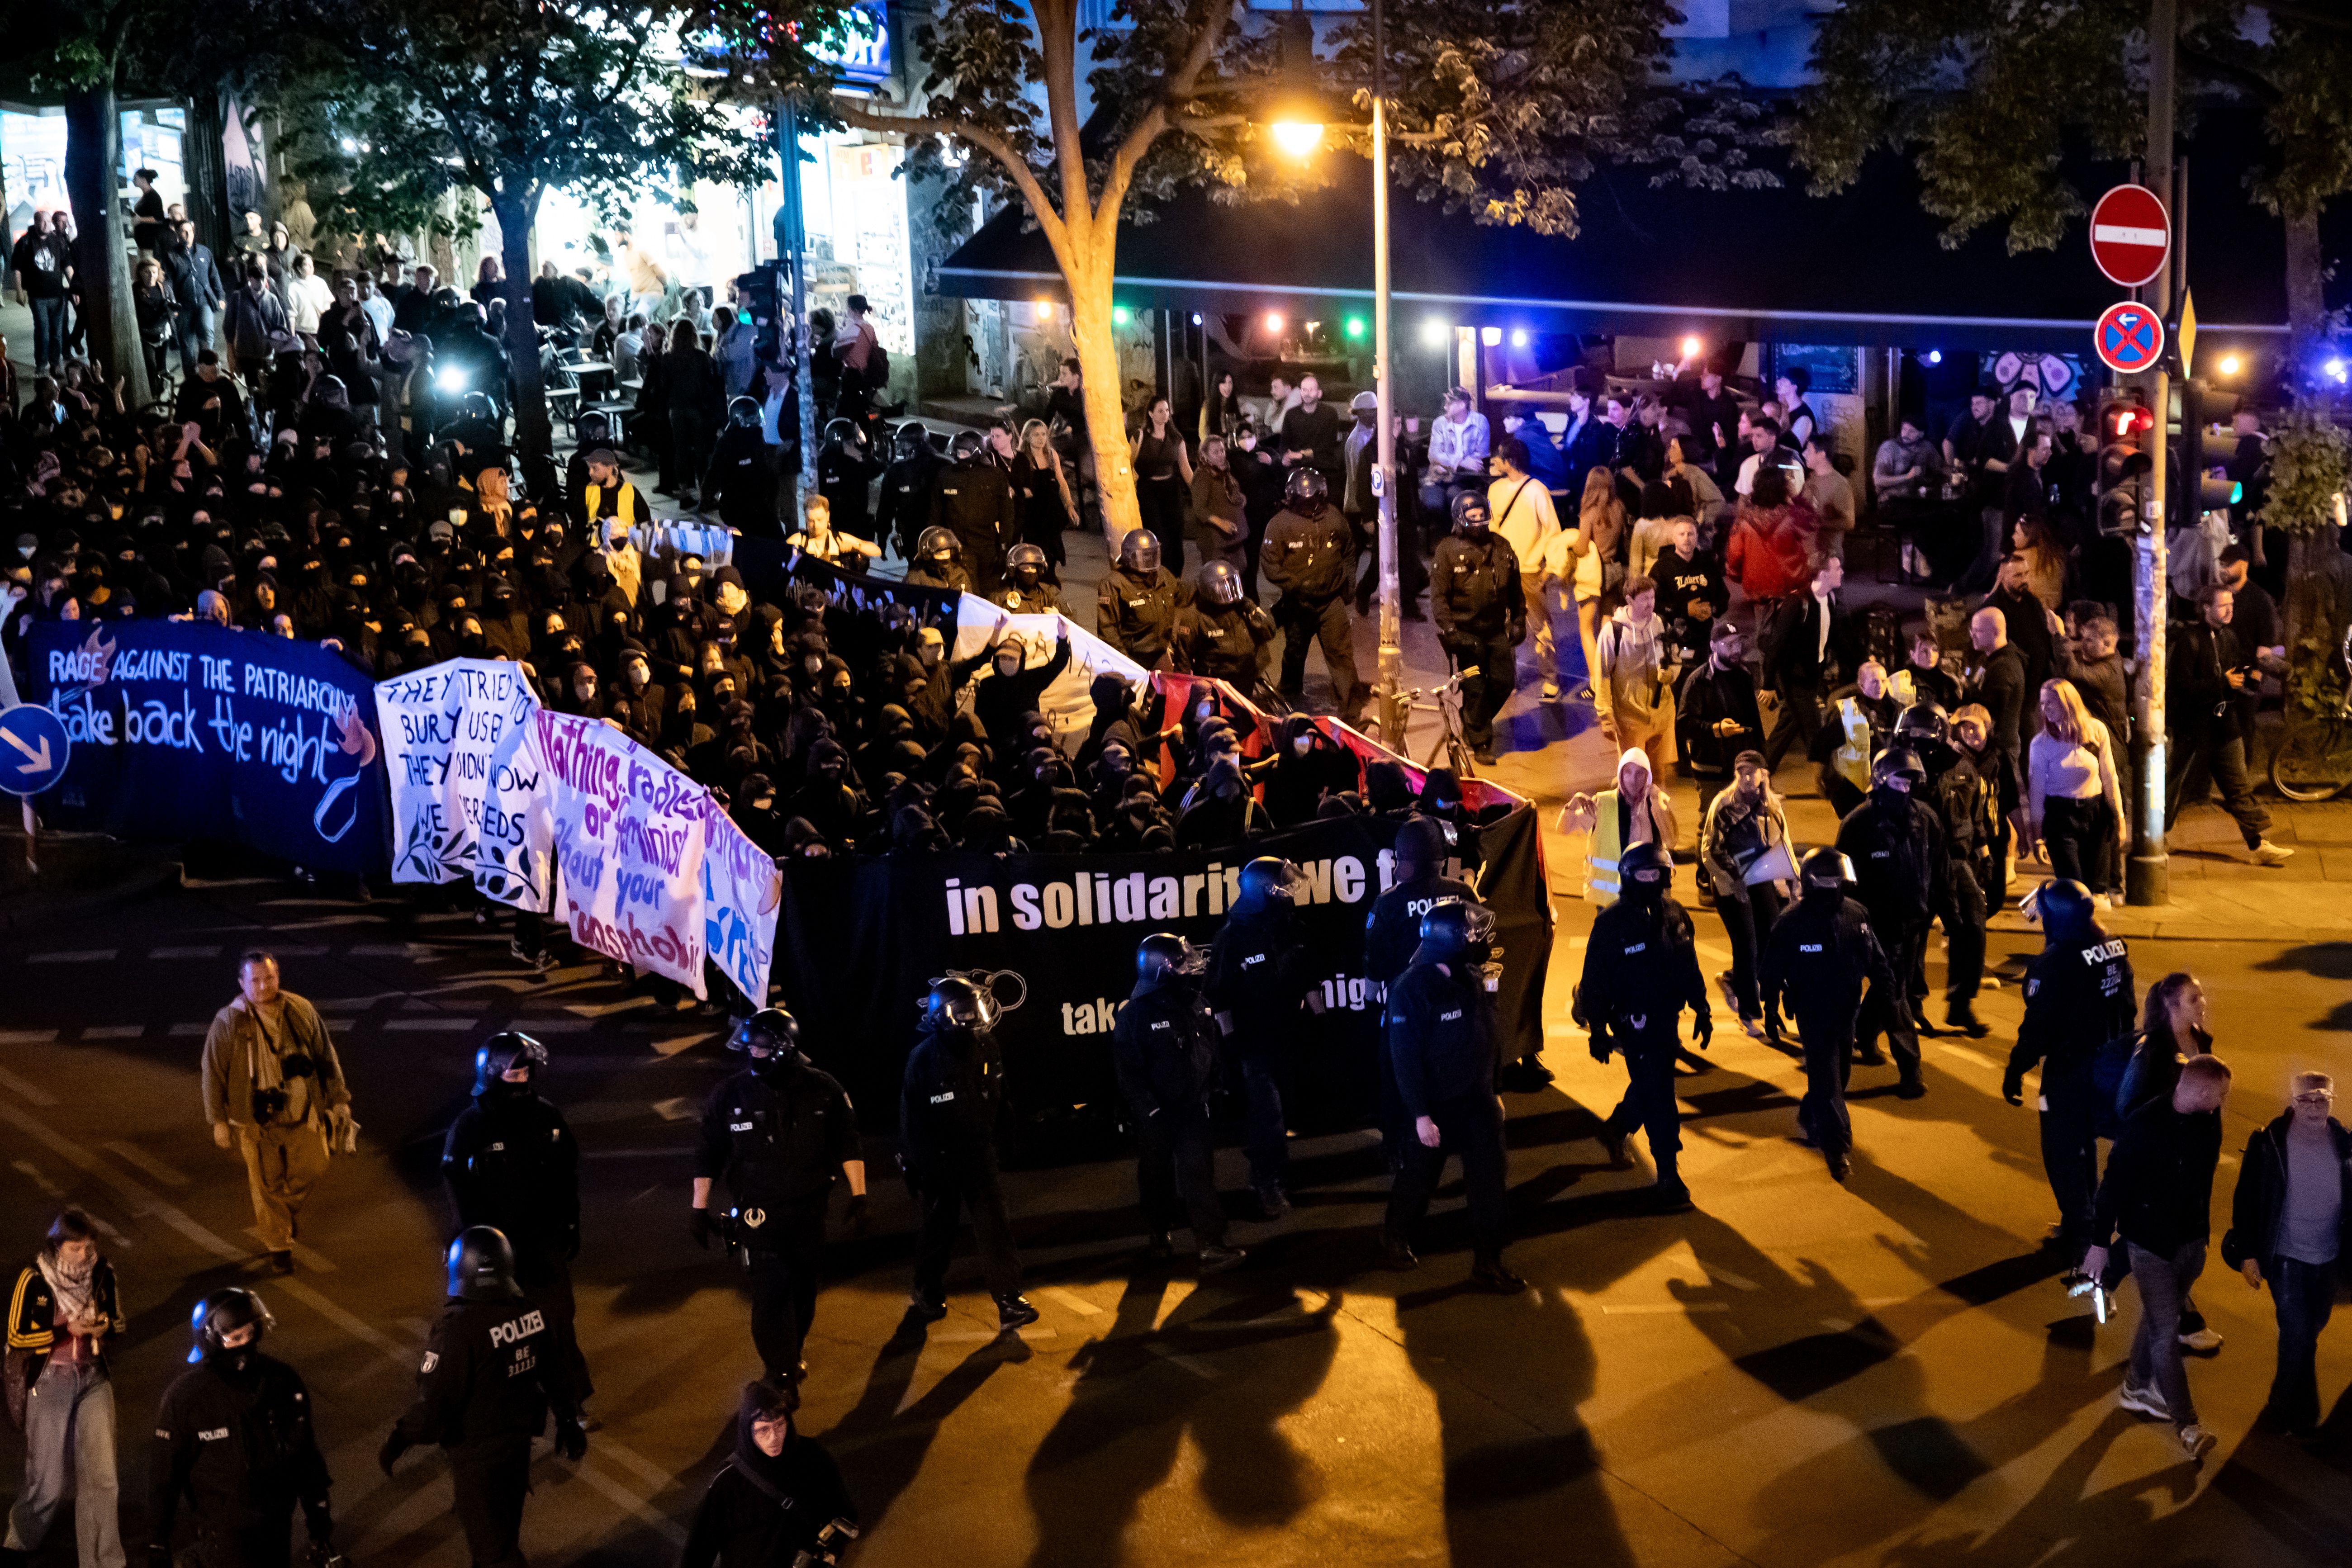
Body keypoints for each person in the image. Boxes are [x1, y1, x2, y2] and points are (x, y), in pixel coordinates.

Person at [379, 1229, 588, 1567]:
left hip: (477, 1460)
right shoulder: (532, 1314)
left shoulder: (458, 1332)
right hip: (518, 1448)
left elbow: (434, 1405)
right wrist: (567, 1419)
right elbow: (557, 1372)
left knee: (495, 1555)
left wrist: (400, 1438)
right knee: (503, 1538)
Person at [692, 1009, 866, 1381]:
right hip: (758, 1215)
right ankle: (779, 1369)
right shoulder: (729, 1094)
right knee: (769, 1297)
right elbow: (708, 1152)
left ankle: (792, 1350)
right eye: (749, 1046)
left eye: (761, 1047)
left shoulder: (824, 1089)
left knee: (803, 1291)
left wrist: (860, 1195)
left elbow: (848, 1142)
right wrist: (699, 1206)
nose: (752, 1053)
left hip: (807, 1213)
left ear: (785, 1049)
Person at [2082, 1054, 2233, 1462]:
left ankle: (2135, 1387)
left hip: (2189, 1245)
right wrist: (2100, 1245)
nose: (2220, 1104)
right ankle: (2188, 1426)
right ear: (2201, 1089)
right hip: (2151, 1248)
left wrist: (2200, 1238)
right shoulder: (2143, 1125)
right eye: (2218, 1095)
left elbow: (2202, 1181)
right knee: (2166, 1334)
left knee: (2155, 1319)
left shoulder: (2207, 1119)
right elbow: (2112, 1186)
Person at [1382, 899, 1524, 1289]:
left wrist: (1494, 1089)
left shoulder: (1477, 976)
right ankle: (1395, 1234)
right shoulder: (1411, 990)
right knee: (1419, 1178)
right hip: (1435, 1105)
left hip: (1478, 1100)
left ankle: (1489, 1260)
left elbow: (1490, 1038)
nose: (1480, 939)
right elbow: (1404, 1058)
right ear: (1447, 940)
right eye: (1471, 934)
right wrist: (1420, 1115)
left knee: (1490, 1181)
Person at [442, 1032, 589, 1408]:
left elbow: (566, 1175)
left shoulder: (547, 1117)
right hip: (495, 1246)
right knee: (496, 1327)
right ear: (492, 1075)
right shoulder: (470, 1128)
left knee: (556, 1322)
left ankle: (570, 1404)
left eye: (527, 1072)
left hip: (543, 1239)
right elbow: (458, 1189)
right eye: (514, 1073)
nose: (523, 1079)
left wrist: (570, 1222)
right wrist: (469, 1241)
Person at [150, 1289, 335, 1568]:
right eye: (235, 1338)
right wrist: (157, 1541)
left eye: (250, 1334)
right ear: (211, 1341)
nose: (245, 1344)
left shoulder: (282, 1382)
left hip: (276, 1526)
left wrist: (319, 1521)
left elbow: (305, 1455)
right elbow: (166, 1474)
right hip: (222, 1534)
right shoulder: (187, 1398)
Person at [2002, 879, 2135, 1265]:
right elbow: (2127, 1008)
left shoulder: (2053, 963)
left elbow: (2038, 1027)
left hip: (2070, 1069)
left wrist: (2016, 1067)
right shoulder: (2113, 947)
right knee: (2086, 1144)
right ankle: (2086, 1219)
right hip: (2108, 1063)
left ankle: (2080, 1235)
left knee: (2062, 1150)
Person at [200, 950, 356, 1275]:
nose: (262, 986)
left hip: (304, 1112)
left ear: (278, 976)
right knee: (266, 1184)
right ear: (242, 982)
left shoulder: (300, 1009)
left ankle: (282, 1218)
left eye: (268, 978)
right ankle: (279, 1247)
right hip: (255, 1122)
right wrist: (218, 1121)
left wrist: (339, 1099)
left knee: (315, 1165)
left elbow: (327, 1056)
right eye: (254, 980)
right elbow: (212, 1072)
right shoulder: (228, 1021)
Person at [1760, 849, 1911, 1182]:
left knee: (1839, 1076)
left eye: (1836, 881)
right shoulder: (1791, 923)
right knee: (1829, 1080)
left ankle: (1811, 1112)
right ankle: (1837, 1148)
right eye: (1826, 881)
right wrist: (1770, 1009)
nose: (1832, 887)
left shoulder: (1856, 916)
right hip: (1812, 1013)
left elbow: (1878, 962)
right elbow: (1771, 971)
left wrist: (1888, 999)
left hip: (1847, 1011)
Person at [1576, 842, 1711, 1209]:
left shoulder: (1676, 915)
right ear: (1628, 878)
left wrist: (1701, 1006)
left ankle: (1615, 1129)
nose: (1651, 881)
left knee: (1652, 1084)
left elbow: (1689, 964)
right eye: (1644, 874)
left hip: (1667, 1020)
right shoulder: (1611, 924)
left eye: (1657, 874)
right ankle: (1668, 1171)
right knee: (1661, 1096)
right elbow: (1596, 982)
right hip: (1632, 1023)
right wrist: (1599, 1030)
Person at [901, 977, 1039, 1331]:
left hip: (979, 1157)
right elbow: (912, 1122)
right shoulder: (922, 1060)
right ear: (940, 1017)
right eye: (960, 1012)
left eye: (971, 1010)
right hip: (940, 1163)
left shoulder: (987, 1045)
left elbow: (1001, 1095)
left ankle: (1009, 1299)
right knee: (939, 1231)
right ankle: (928, 1287)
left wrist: (1009, 1139)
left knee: (996, 1228)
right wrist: (922, 1168)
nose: (968, 1018)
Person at [2221, 1071, 2352, 1440]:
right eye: (2306, 1101)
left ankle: (2299, 1406)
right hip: (2287, 1257)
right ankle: (2286, 1406)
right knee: (2297, 1333)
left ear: (2332, 1101)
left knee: (2310, 1330)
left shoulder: (2345, 1144)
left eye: (2322, 1100)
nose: (2314, 1108)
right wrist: (2248, 1254)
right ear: (2293, 1103)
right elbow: (2245, 1202)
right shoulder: (2269, 1144)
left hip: (2329, 1258)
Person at [1111, 934, 1247, 1271]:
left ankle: (1211, 1244)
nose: (1192, 968)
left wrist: (1213, 1087)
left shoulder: (1196, 1003)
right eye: (1184, 964)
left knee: (1199, 1174)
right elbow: (1128, 1071)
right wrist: (1150, 1109)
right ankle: (1159, 1234)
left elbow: (1210, 1050)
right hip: (1157, 1114)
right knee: (1157, 1177)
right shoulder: (1135, 1016)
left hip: (1192, 1109)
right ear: (1162, 970)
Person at [4, 1209, 125, 1568]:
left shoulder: (104, 1273)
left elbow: (118, 1319)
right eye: (76, 1248)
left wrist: (104, 1326)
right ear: (57, 1247)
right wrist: (65, 1330)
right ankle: (21, 1540)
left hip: (93, 1378)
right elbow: (16, 1336)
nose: (85, 1255)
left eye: (89, 1246)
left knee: (103, 1477)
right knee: (48, 1480)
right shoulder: (35, 1279)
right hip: (49, 1381)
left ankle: (104, 1560)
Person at [1205, 857, 1323, 1218]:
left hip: (1289, 1033)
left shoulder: (1290, 926)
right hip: (1253, 1042)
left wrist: (1321, 1022)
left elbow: (1308, 977)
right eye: (1283, 887)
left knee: (1284, 1108)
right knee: (1268, 1112)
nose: (1289, 893)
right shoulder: (1231, 938)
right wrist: (1232, 1044)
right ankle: (1266, 1182)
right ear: (1263, 892)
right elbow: (1218, 995)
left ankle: (1265, 1159)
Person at [1833, 749, 1942, 1094]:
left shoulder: (1925, 819)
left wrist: (1947, 915)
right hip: (1874, 924)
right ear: (1881, 779)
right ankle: (1911, 1069)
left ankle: (1864, 1032)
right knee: (1896, 995)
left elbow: (1941, 868)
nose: (1905, 787)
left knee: (1893, 988)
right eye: (1899, 779)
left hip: (1913, 923)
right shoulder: (1857, 824)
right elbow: (1842, 879)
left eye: (1910, 780)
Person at [2166, 584, 2294, 866]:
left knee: (2239, 788)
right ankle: (2156, 838)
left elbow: (2236, 671)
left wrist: (2253, 675)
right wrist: (2221, 683)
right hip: (2195, 731)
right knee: (2176, 786)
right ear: (2206, 609)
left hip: (2225, 727)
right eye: (2223, 605)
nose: (2229, 610)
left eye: (2232, 605)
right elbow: (2182, 687)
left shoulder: (2230, 637)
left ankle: (2258, 845)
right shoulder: (2190, 640)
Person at [681, 1380, 858, 1568]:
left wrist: (832, 1553)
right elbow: (699, 1551)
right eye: (763, 1429)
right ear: (748, 1431)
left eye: (780, 1425)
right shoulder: (727, 1482)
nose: (774, 1438)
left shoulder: (812, 1457)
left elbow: (844, 1513)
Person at [1428, 491, 1525, 764]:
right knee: (1475, 687)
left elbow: (1517, 590)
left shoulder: (1503, 547)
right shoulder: (1447, 550)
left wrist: (1519, 619)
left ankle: (1472, 719)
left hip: (1495, 631)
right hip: (1465, 634)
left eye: (1483, 516)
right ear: (1460, 520)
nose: (1480, 522)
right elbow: (1438, 597)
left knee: (1505, 682)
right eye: (1473, 517)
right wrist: (1450, 631)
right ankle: (1481, 741)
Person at [1260, 467, 1364, 721]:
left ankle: (1351, 710)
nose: (1308, 504)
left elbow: (1350, 551)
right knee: (1295, 651)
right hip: (1298, 603)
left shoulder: (1334, 519)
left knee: (1341, 654)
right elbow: (1270, 564)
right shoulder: (1279, 525)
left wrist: (1349, 585)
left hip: (1331, 602)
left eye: (1313, 498)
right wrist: (1296, 585)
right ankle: (1289, 697)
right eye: (1302, 499)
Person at [1700, 751, 1792, 1033]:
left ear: (1764, 775)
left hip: (1761, 879)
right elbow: (1709, 850)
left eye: (1752, 771)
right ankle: (1749, 1013)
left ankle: (1733, 979)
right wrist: (1733, 881)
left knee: (1771, 940)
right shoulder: (1724, 805)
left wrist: (1792, 883)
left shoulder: (1772, 807)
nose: (1746, 776)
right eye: (1740, 771)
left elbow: (1784, 846)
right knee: (1747, 945)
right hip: (1730, 884)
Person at [2028, 679, 2126, 897]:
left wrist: (2119, 817)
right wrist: (2037, 837)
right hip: (2061, 817)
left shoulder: (2096, 731)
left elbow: (2110, 776)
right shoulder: (2041, 744)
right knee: (2074, 886)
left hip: (2095, 815)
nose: (2046, 709)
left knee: (2094, 888)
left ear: (2068, 703)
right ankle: (2075, 928)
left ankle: (2087, 930)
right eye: (2043, 704)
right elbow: (2036, 791)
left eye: (2051, 703)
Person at [1488, 435, 1565, 697]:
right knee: (1508, 625)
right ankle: (1520, 679)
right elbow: (1552, 530)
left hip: (1526, 570)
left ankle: (1549, 677)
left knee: (1537, 625)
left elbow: (1552, 532)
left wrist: (1546, 566)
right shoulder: (1499, 489)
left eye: (1498, 456)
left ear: (1509, 462)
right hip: (1510, 568)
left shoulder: (1535, 490)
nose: (1493, 459)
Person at [1559, 747, 1679, 909]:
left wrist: (1659, 805)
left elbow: (1671, 841)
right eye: (1628, 772)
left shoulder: (1654, 804)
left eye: (1639, 773)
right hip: (1612, 902)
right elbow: (1564, 829)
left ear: (1648, 776)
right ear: (1620, 775)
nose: (1633, 779)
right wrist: (1571, 806)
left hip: (1648, 896)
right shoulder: (1602, 804)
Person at [1759, 554, 1847, 772]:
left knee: (1788, 726)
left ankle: (1760, 770)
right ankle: (1830, 779)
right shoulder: (1797, 603)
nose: (1842, 572)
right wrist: (1768, 684)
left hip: (1813, 675)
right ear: (1823, 574)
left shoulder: (1830, 599)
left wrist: (1858, 665)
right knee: (1815, 729)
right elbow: (1777, 645)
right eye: (1837, 569)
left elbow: (1837, 639)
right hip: (1795, 678)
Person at [1677, 621, 1764, 835]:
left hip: (1740, 768)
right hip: (1710, 768)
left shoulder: (1743, 676)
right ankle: (1704, 868)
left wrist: (1762, 762)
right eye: (1729, 645)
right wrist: (1717, 729)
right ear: (1714, 646)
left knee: (1743, 824)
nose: (1736, 650)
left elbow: (1754, 722)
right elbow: (1684, 724)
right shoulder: (1699, 681)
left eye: (1738, 644)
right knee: (1711, 825)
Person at [1594, 573, 1677, 779]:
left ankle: (1656, 812)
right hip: (1631, 720)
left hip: (1662, 714)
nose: (1651, 604)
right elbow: (1602, 675)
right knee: (1634, 779)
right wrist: (1606, 716)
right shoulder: (1612, 632)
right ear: (1630, 600)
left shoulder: (1661, 625)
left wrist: (1671, 674)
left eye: (1653, 598)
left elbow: (1676, 657)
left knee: (1659, 777)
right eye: (1645, 599)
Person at [934, 431, 1020, 597]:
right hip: (957, 546)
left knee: (989, 594)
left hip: (986, 547)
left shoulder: (995, 477)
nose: (960, 456)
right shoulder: (946, 476)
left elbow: (1007, 516)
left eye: (964, 452)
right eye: (958, 452)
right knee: (962, 593)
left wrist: (1004, 547)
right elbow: (935, 512)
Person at [1171, 559, 1278, 691]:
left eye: (1231, 583)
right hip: (1217, 683)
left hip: (1246, 675)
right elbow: (1184, 658)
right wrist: (1182, 691)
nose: (1228, 592)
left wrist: (1252, 610)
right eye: (1222, 587)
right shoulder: (1194, 617)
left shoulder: (1242, 607)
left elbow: (1269, 631)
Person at [1096, 527, 1188, 670]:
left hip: (1160, 655)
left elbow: (1183, 603)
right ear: (1129, 557)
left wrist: (1177, 639)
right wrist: (1124, 663)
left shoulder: (1164, 576)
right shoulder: (1114, 584)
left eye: (1152, 555)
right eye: (1143, 556)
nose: (1148, 561)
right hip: (1132, 658)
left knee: (1168, 689)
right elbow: (1108, 630)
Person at [704, 397, 781, 536]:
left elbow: (768, 472)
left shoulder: (758, 438)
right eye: (752, 418)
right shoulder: (728, 443)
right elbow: (714, 474)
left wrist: (771, 499)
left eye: (758, 416)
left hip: (762, 507)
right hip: (738, 509)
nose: (757, 421)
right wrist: (708, 497)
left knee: (778, 544)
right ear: (739, 419)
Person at [163, 218, 227, 377]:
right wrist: (172, 305)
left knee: (207, 333)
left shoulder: (204, 252)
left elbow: (214, 275)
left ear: (193, 232)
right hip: (183, 305)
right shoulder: (171, 256)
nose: (187, 235)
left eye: (189, 231)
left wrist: (221, 296)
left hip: (204, 301)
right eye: (183, 232)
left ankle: (208, 369)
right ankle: (191, 378)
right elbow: (168, 282)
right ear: (178, 235)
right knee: (186, 343)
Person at [1419, 386, 1489, 521]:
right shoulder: (1440, 423)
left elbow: (1479, 459)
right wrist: (1461, 461)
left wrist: (1446, 463)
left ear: (1462, 405)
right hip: (1437, 477)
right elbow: (1434, 454)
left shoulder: (1480, 422)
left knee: (1456, 499)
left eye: (1449, 403)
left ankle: (1458, 535)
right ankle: (1443, 539)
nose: (1445, 407)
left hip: (1463, 479)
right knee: (1433, 505)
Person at [996, 542, 1060, 615]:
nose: (1030, 571)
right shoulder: (1001, 599)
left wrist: (1059, 618)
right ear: (1015, 571)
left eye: (1033, 568)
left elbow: (1072, 622)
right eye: (1025, 568)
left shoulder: (1050, 594)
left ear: (1039, 571)